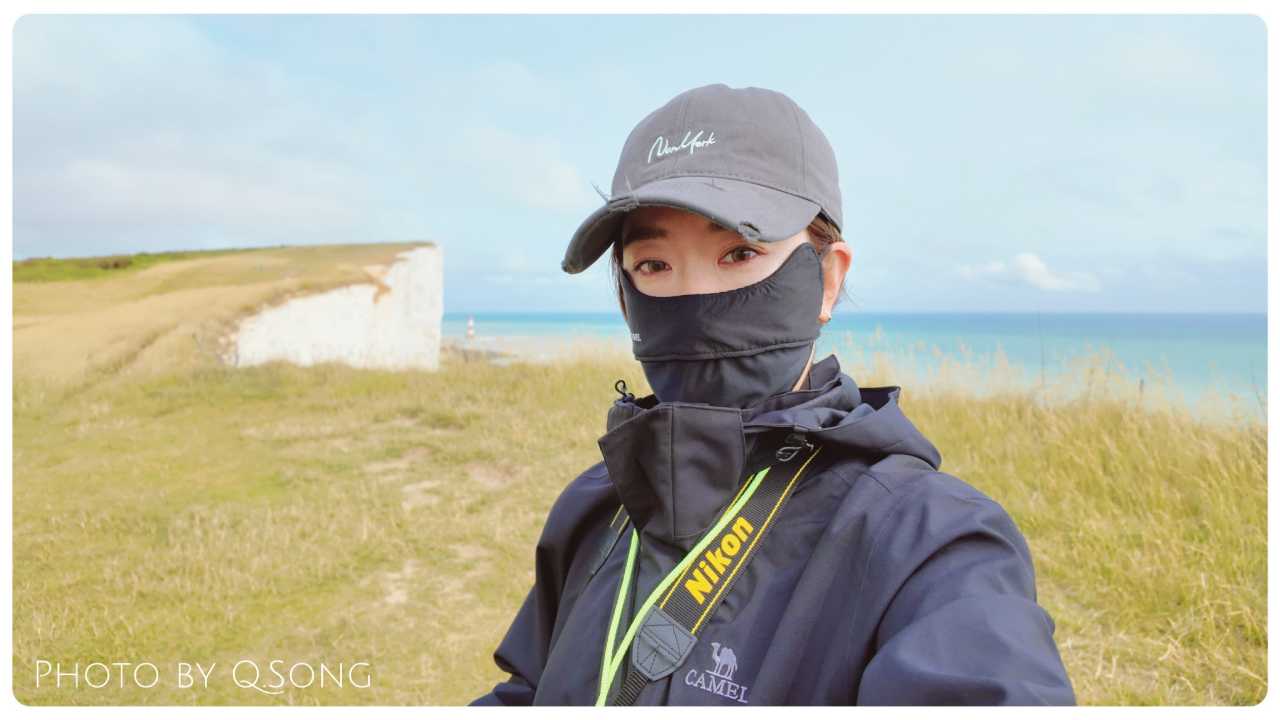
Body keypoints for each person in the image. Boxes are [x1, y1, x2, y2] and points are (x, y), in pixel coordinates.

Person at [470, 83, 1075, 706]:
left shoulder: (927, 540)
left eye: (740, 252)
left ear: (827, 280)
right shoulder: (598, 503)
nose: (695, 299)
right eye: (654, 265)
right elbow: (529, 691)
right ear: (625, 294)